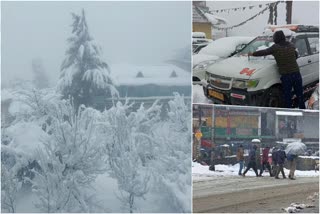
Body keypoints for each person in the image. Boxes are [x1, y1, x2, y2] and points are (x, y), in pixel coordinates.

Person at [248, 30, 305, 109]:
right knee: (300, 95)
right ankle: (303, 111)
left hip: (286, 76)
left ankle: (287, 114)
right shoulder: (291, 45)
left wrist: (252, 53)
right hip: (296, 74)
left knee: (287, 97)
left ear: (276, 38)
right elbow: (296, 55)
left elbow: (264, 52)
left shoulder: (275, 47)